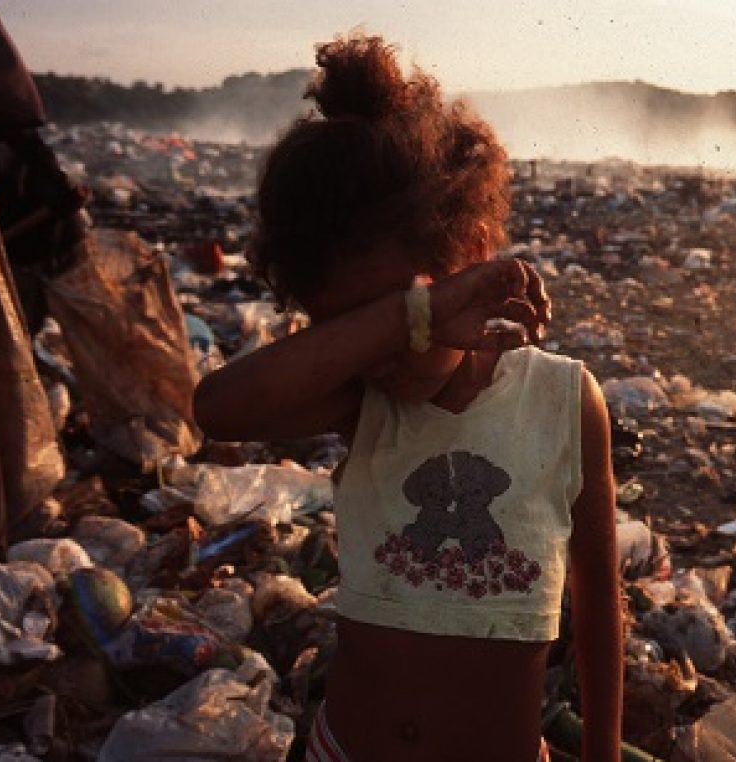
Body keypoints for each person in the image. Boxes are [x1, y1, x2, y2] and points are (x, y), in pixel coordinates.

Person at [193, 35, 623, 762]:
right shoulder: (361, 401)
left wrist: (607, 751)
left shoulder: (562, 398)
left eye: (399, 310)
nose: (382, 352)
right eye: (349, 327)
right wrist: (410, 315)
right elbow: (218, 409)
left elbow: (598, 598)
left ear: (475, 256)